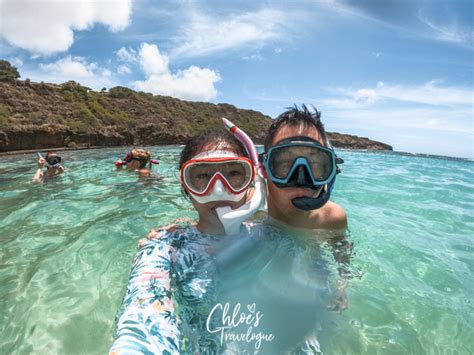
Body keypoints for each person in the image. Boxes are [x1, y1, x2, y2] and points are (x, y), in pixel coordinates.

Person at [110, 131, 265, 354]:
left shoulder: (271, 234)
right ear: (186, 185)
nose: (219, 190)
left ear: (251, 181)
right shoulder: (165, 246)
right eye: (201, 176)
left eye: (233, 173)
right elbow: (144, 317)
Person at [261, 105, 353, 314]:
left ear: (330, 172)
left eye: (315, 165)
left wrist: (341, 288)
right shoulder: (251, 207)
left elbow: (343, 256)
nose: (301, 179)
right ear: (265, 169)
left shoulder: (332, 218)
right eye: (284, 164)